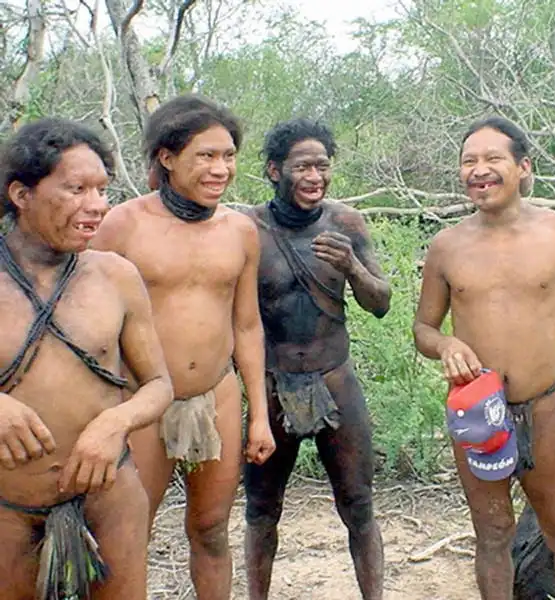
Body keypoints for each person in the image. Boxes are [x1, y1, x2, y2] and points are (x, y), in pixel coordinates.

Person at [90, 94, 276, 600]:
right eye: (206, 156)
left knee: (212, 528)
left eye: (228, 156)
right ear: (167, 158)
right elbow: (80, 315)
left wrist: (258, 413)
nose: (221, 168)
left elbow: (247, 326)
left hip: (215, 394)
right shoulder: (123, 225)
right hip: (140, 400)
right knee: (129, 533)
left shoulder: (241, 231)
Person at [412, 115, 555, 600]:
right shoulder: (447, 246)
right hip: (477, 414)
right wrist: (446, 345)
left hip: (544, 410)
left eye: (492, 159)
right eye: (468, 161)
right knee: (493, 535)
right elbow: (423, 328)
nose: (479, 170)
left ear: (523, 167)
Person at [0, 117, 173, 600]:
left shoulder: (116, 276)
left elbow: (159, 384)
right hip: (7, 508)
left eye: (102, 189)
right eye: (77, 189)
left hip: (109, 499)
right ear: (21, 194)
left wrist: (114, 424)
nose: (97, 206)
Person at [242, 118, 391, 600]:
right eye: (302, 166)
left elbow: (381, 302)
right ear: (272, 170)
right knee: (262, 508)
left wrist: (351, 266)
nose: (314, 177)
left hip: (335, 378)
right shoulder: (247, 229)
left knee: (358, 503)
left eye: (322, 167)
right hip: (271, 384)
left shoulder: (346, 223)